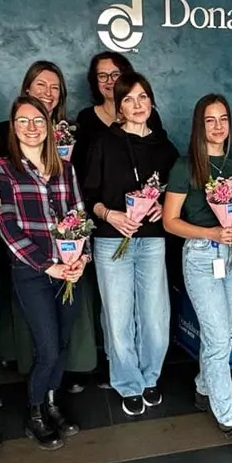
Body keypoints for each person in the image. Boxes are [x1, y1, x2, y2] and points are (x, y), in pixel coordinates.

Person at [164, 94, 232, 448]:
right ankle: (228, 416)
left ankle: (203, 387)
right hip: (201, 255)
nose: (218, 126)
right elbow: (170, 221)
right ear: (199, 125)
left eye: (223, 119)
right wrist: (209, 233)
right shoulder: (185, 166)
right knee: (220, 339)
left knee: (219, 335)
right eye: (210, 120)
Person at [0, 95, 87, 449]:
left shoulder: (65, 167)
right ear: (13, 128)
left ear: (48, 126)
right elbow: (7, 227)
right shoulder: (3, 169)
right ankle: (35, 412)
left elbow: (79, 215)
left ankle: (51, 401)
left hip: (70, 269)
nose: (31, 128)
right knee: (46, 346)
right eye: (23, 121)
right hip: (33, 271)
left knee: (62, 342)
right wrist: (50, 266)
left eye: (38, 121)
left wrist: (82, 258)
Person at [81, 71, 180, 416]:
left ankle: (150, 376)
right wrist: (111, 215)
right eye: (128, 99)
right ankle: (127, 382)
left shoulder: (165, 147)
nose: (137, 105)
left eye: (143, 97)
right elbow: (89, 196)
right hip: (112, 241)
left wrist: (162, 205)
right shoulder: (103, 143)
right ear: (119, 107)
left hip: (151, 241)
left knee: (155, 316)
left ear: (151, 101)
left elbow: (176, 192)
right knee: (118, 316)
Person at [73, 51, 163, 177]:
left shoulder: (147, 115)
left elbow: (161, 156)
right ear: (95, 81)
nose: (110, 81)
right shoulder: (86, 118)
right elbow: (80, 164)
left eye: (115, 74)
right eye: (102, 76)